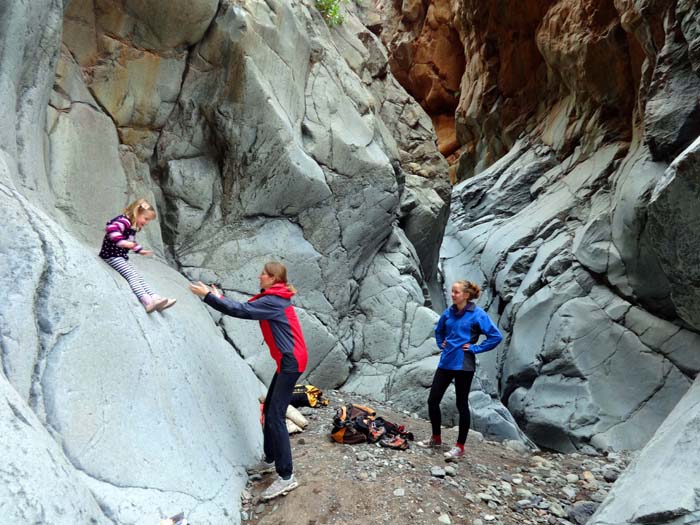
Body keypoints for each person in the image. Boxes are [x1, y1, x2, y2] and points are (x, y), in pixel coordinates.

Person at [189, 261, 308, 500]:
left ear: (274, 278)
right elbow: (246, 306)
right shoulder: (274, 296)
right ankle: (270, 459)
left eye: (264, 273)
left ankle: (286, 477)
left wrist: (209, 298)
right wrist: (218, 297)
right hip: (289, 360)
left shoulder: (274, 300)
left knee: (275, 415)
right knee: (270, 410)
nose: (260, 275)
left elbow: (241, 311)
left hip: (291, 362)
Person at [417, 280, 503, 460]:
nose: (452, 294)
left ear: (465, 295)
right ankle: (436, 438)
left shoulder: (477, 314)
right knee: (433, 400)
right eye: (452, 291)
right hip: (446, 362)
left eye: (456, 292)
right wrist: (441, 343)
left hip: (464, 365)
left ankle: (459, 447)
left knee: (461, 404)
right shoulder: (449, 312)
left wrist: (475, 348)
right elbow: (438, 330)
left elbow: (496, 336)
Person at [99, 199, 176, 313]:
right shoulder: (123, 221)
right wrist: (123, 242)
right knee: (131, 276)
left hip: (119, 256)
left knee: (138, 276)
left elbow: (131, 242)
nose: (146, 222)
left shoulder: (132, 227)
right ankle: (147, 302)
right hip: (111, 255)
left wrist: (139, 250)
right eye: (146, 219)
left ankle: (155, 298)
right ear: (136, 213)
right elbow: (111, 228)